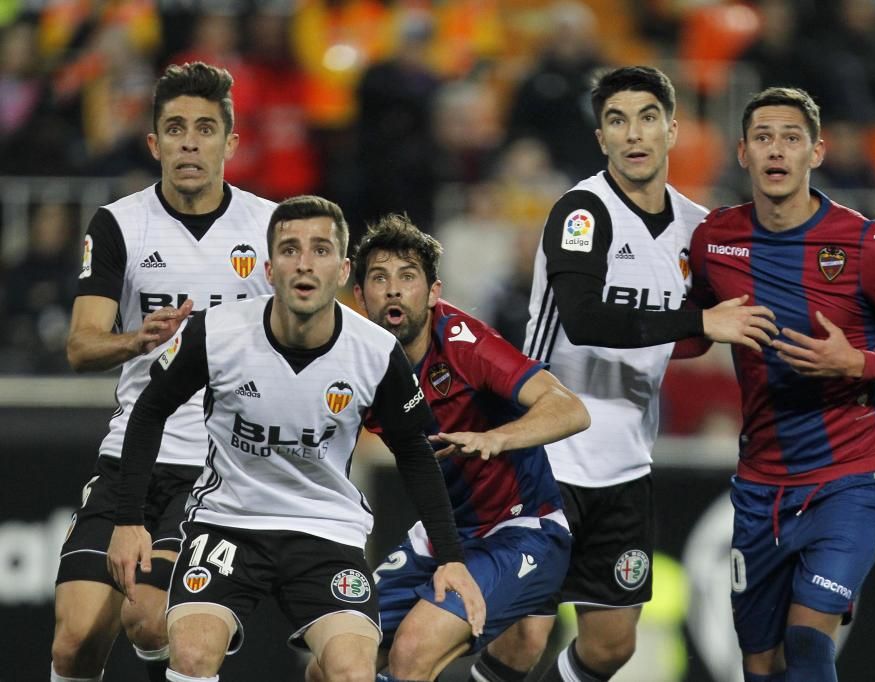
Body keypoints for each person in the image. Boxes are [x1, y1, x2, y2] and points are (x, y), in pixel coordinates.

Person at [106, 195, 486, 682]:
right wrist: (128, 519)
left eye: (321, 249)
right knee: (193, 655)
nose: (304, 263)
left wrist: (451, 559)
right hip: (228, 522)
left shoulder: (374, 351)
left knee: (352, 673)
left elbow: (414, 451)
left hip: (324, 528)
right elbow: (150, 410)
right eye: (289, 249)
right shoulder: (218, 332)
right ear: (268, 268)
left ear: (344, 269)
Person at [485, 65, 778, 682]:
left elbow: (694, 335)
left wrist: (711, 325)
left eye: (647, 118)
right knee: (524, 635)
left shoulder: (697, 227)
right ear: (602, 139)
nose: (633, 134)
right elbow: (586, 318)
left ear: (673, 129)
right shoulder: (581, 212)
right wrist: (698, 320)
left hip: (624, 463)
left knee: (612, 645)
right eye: (617, 121)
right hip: (546, 451)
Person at [687, 86, 875, 681]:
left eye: (791, 137)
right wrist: (690, 321)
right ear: (742, 153)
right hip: (761, 484)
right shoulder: (714, 239)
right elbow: (690, 339)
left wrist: (858, 363)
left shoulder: (866, 244)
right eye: (763, 138)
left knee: (808, 640)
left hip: (854, 475)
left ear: (817, 152)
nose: (776, 150)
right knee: (759, 663)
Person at [51, 62, 277, 682]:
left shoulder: (270, 228)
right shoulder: (120, 224)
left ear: (230, 143)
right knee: (73, 640)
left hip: (220, 465)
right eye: (174, 128)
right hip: (134, 452)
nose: (189, 141)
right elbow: (80, 346)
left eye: (205, 128)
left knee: (151, 620)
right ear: (153, 143)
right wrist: (136, 339)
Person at [325, 214, 589, 682]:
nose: (393, 291)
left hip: (521, 527)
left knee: (411, 655)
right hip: (441, 534)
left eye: (408, 277)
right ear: (359, 296)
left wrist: (495, 437)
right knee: (333, 665)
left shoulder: (466, 346)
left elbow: (569, 410)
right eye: (379, 278)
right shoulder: (351, 360)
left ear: (432, 293)